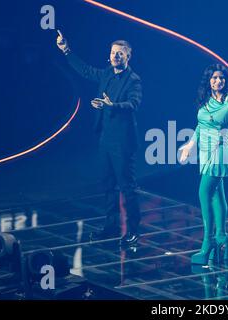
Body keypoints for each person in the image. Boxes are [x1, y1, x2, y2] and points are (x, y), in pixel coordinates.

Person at [56, 30, 142, 247]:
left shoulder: (133, 80)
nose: (116, 56)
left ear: (128, 57)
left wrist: (112, 105)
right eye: (113, 53)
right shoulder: (106, 74)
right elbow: (85, 70)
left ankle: (133, 230)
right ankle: (111, 226)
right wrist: (67, 50)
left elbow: (133, 104)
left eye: (120, 54)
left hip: (122, 142)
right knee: (108, 185)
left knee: (127, 187)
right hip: (105, 139)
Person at [179, 64, 228, 264]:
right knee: (217, 193)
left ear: (225, 81)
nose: (218, 81)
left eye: (221, 78)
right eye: (214, 77)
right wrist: (190, 145)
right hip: (205, 150)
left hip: (220, 149)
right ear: (209, 80)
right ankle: (222, 237)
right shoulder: (206, 100)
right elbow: (200, 125)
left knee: (204, 192)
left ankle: (208, 243)